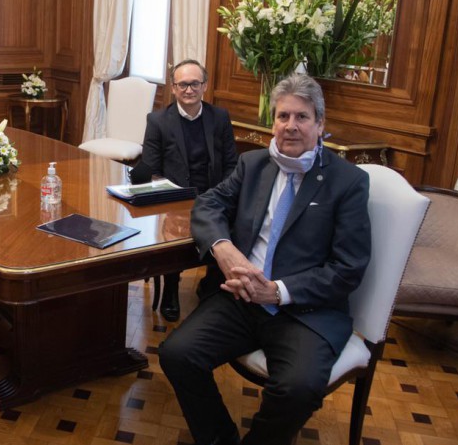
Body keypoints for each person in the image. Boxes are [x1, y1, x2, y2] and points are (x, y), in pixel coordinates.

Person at [159, 74, 371, 445]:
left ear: (320, 124)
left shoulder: (347, 181)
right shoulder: (254, 164)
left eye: (301, 117)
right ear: (273, 122)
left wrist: (277, 292)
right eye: (283, 116)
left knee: (298, 389)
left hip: (305, 310)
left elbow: (347, 269)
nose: (290, 126)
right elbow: (208, 204)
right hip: (240, 299)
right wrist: (222, 247)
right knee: (177, 354)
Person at [131, 59, 238, 322]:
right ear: (173, 87)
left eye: (194, 84)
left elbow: (232, 163)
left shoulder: (220, 117)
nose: (188, 90)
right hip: (176, 199)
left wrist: (223, 195)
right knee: (172, 231)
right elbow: (152, 168)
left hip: (214, 194)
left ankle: (211, 287)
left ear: (204, 85)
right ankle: (170, 289)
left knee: (234, 224)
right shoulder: (158, 120)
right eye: (182, 84)